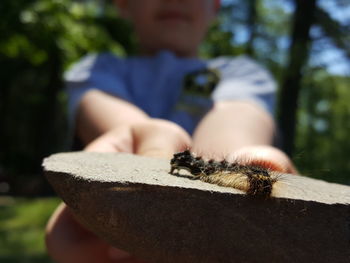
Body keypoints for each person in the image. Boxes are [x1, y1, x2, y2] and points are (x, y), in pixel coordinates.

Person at [45, 0, 297, 262]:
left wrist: (240, 153)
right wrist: (146, 142)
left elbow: (236, 115)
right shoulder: (98, 69)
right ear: (122, 4)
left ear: (216, 7)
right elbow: (122, 129)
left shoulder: (241, 74)